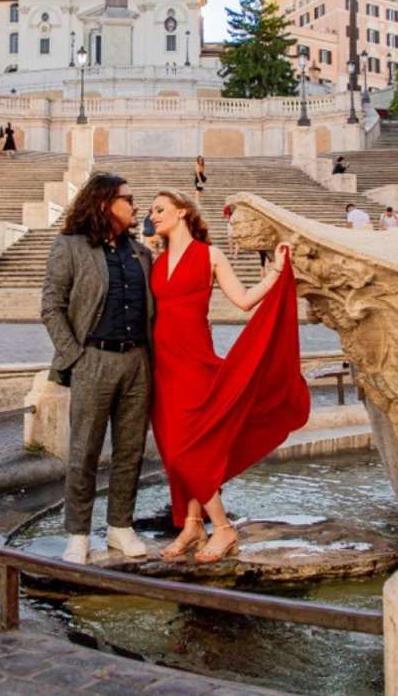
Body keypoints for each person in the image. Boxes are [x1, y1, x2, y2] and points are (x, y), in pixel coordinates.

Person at [148, 190, 309, 562]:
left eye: (160, 209)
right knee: (175, 452)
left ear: (182, 211)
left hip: (195, 363)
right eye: (151, 211)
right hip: (163, 368)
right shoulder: (154, 260)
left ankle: (222, 528)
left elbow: (244, 300)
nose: (153, 216)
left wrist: (276, 273)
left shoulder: (210, 255)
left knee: (191, 450)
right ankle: (191, 524)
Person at [41, 174, 153, 564]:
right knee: (84, 450)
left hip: (138, 360)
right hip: (93, 358)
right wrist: (75, 356)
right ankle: (78, 532)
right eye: (128, 199)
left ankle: (121, 526)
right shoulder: (69, 247)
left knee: (131, 449)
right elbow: (51, 307)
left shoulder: (141, 253)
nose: (134, 206)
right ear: (105, 204)